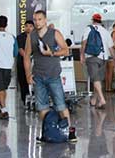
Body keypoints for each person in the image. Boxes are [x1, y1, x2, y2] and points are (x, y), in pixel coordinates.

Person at [23, 10, 77, 142]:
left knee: (60, 105)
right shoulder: (31, 36)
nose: (37, 22)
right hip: (38, 76)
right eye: (35, 20)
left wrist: (51, 53)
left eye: (40, 19)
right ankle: (46, 132)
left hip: (53, 75)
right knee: (42, 107)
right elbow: (26, 56)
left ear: (45, 20)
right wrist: (28, 75)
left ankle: (69, 132)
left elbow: (65, 50)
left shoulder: (55, 33)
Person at [81, 13, 112, 109]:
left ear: (93, 20)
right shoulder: (105, 31)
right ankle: (94, 100)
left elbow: (84, 43)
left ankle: (102, 99)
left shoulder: (88, 29)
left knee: (95, 79)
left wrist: (82, 55)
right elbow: (111, 47)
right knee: (97, 79)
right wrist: (114, 59)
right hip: (103, 58)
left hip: (91, 56)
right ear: (100, 21)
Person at [16, 20, 34, 104]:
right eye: (26, 26)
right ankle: (25, 100)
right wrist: (27, 58)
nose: (28, 28)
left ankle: (35, 99)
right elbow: (20, 50)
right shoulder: (20, 37)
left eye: (30, 26)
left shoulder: (36, 36)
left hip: (35, 63)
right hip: (22, 63)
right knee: (23, 81)